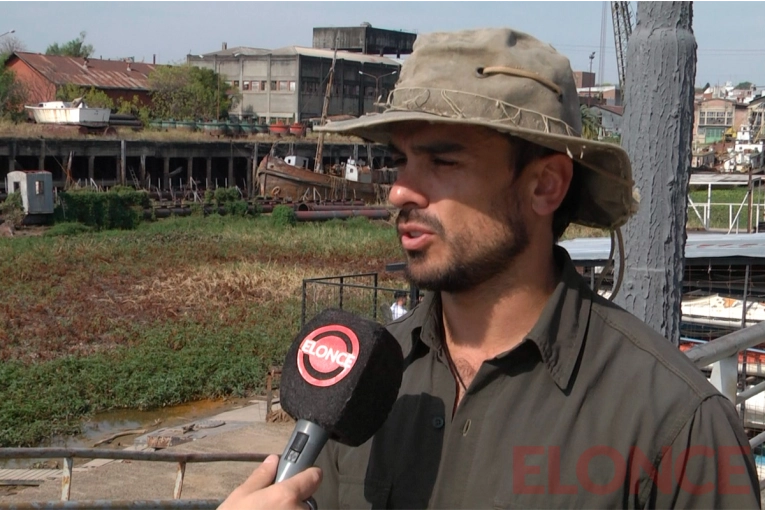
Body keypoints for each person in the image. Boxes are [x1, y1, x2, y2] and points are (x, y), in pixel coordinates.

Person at [219, 28, 760, 508]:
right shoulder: (366, 381)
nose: (401, 191)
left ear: (545, 185)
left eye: (443, 162)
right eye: (400, 161)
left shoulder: (674, 422)